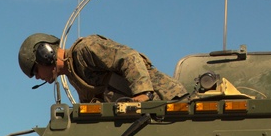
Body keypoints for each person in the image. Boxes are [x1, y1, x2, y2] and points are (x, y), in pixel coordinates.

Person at [18, 33, 187, 103]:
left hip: (170, 100)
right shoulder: (73, 75)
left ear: (44, 55)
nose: (38, 77)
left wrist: (142, 95)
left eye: (36, 71)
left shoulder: (86, 49)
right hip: (149, 117)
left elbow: (129, 57)